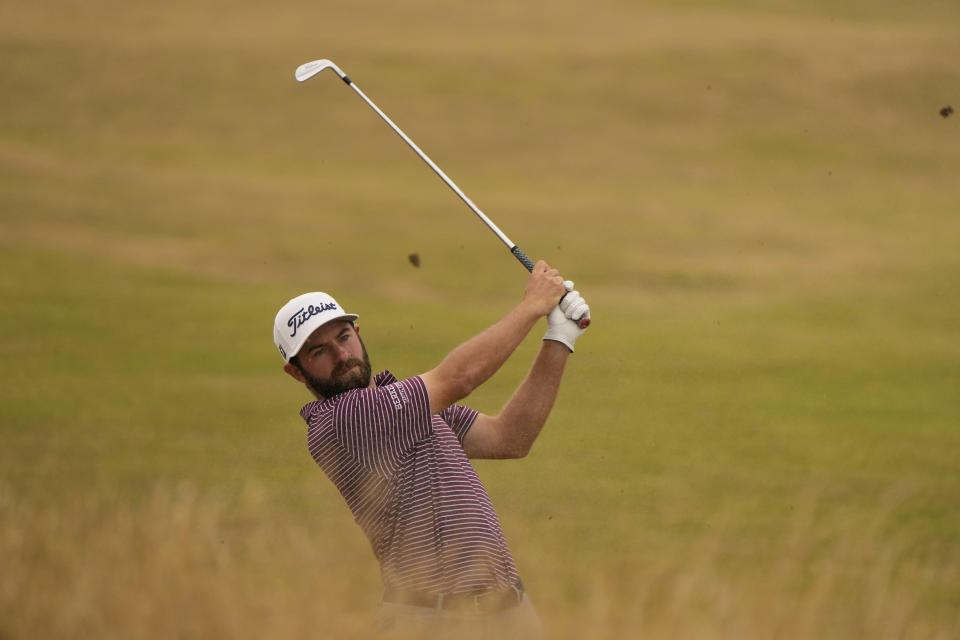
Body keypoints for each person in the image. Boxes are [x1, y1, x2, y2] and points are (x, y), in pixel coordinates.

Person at [272, 261, 590, 639]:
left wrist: (559, 337)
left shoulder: (405, 408)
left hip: (510, 613)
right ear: (296, 372)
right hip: (435, 621)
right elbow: (458, 378)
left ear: (358, 332)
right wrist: (532, 305)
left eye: (343, 337)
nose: (342, 356)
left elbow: (510, 438)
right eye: (318, 351)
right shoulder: (343, 420)